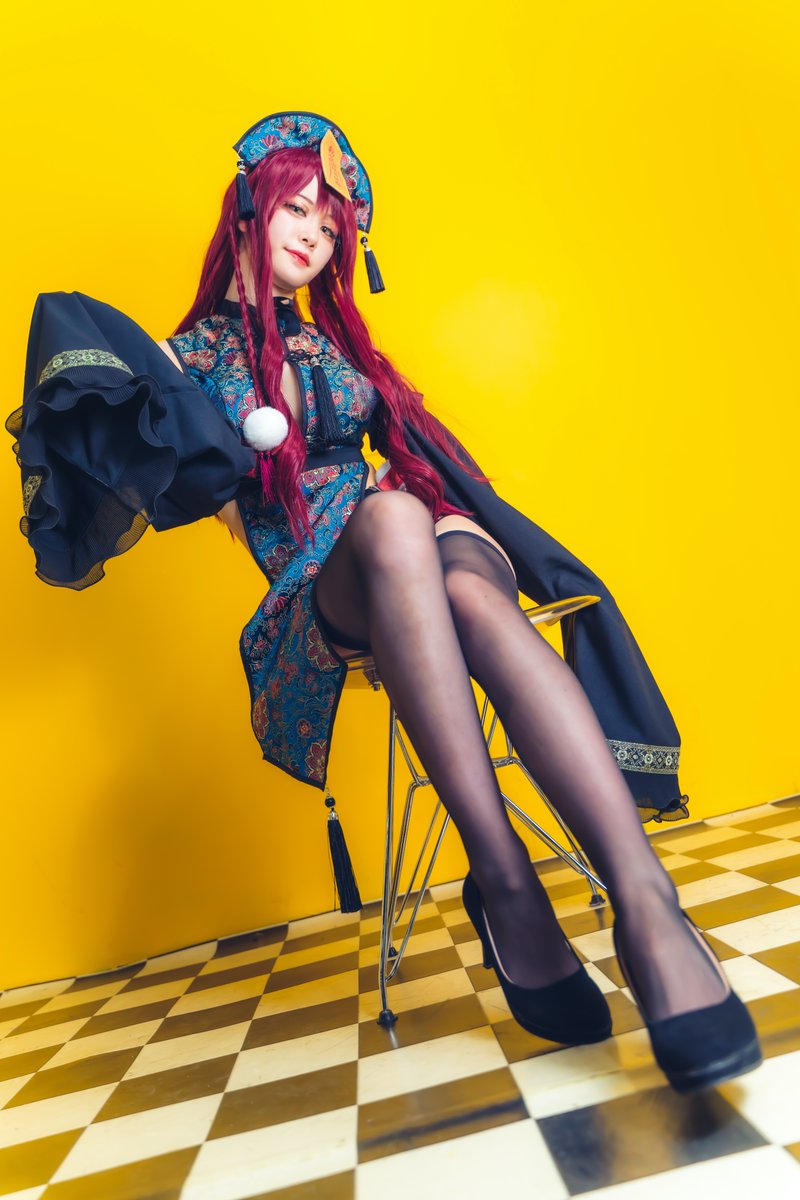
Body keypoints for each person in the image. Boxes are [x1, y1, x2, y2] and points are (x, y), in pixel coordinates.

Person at [7, 111, 761, 1093]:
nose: (315, 236)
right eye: (297, 208)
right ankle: (509, 883)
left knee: (447, 559)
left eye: (332, 226)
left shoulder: (336, 345)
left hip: (433, 536)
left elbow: (410, 463)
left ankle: (641, 904)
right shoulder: (184, 361)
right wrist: (146, 366)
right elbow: (96, 387)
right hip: (325, 581)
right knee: (404, 534)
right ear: (247, 209)